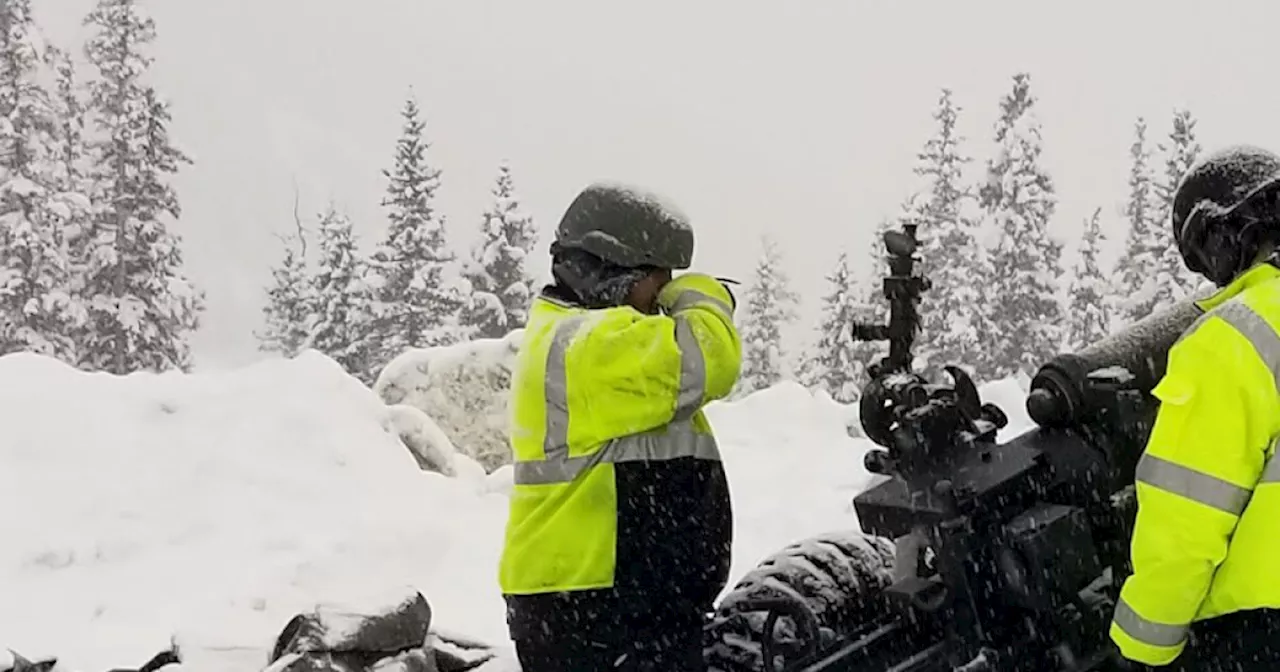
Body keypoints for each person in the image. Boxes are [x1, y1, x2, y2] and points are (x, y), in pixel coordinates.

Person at [497, 181, 742, 672]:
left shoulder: (593, 337)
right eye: (659, 278)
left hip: (613, 608)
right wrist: (702, 292)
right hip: (595, 614)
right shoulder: (587, 345)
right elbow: (711, 356)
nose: (664, 294)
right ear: (613, 272)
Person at [1109, 144, 1280, 670]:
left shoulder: (1234, 337)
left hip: (1260, 634)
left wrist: (1142, 648)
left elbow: (1187, 522)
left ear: (1224, 235)